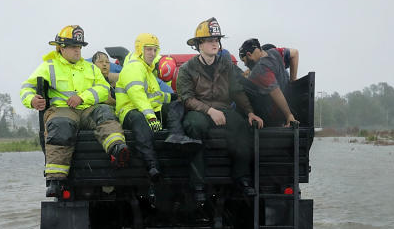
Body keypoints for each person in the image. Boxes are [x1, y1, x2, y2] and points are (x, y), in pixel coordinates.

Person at [20, 25, 129, 198]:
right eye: (73, 47)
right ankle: (56, 180)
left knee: (105, 112)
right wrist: (31, 100)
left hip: (86, 108)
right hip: (61, 110)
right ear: (61, 48)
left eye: (79, 47)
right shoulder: (48, 66)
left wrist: (82, 97)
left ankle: (117, 150)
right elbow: (27, 87)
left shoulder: (90, 68)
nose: (78, 51)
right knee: (61, 125)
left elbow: (102, 88)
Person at [176, 17, 263, 203]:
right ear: (199, 45)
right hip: (199, 110)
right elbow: (187, 99)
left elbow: (237, 92)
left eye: (216, 40)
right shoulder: (187, 69)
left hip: (223, 109)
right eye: (210, 40)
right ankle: (198, 184)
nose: (215, 43)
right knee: (193, 125)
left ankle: (242, 179)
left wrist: (249, 112)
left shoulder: (227, 66)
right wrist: (209, 111)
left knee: (241, 125)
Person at [115, 33, 201, 184]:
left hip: (150, 109)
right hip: (130, 111)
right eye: (148, 49)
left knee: (176, 106)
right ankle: (152, 165)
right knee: (139, 121)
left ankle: (176, 137)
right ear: (139, 50)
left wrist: (174, 98)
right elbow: (137, 95)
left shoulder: (147, 70)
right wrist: (151, 117)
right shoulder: (134, 67)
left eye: (155, 50)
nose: (152, 53)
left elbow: (156, 96)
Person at [238, 39, 300, 127]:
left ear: (249, 55)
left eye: (244, 61)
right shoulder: (274, 52)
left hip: (272, 114)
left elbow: (276, 92)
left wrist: (289, 115)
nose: (245, 65)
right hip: (287, 103)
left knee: (239, 84)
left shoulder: (260, 68)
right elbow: (295, 53)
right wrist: (293, 81)